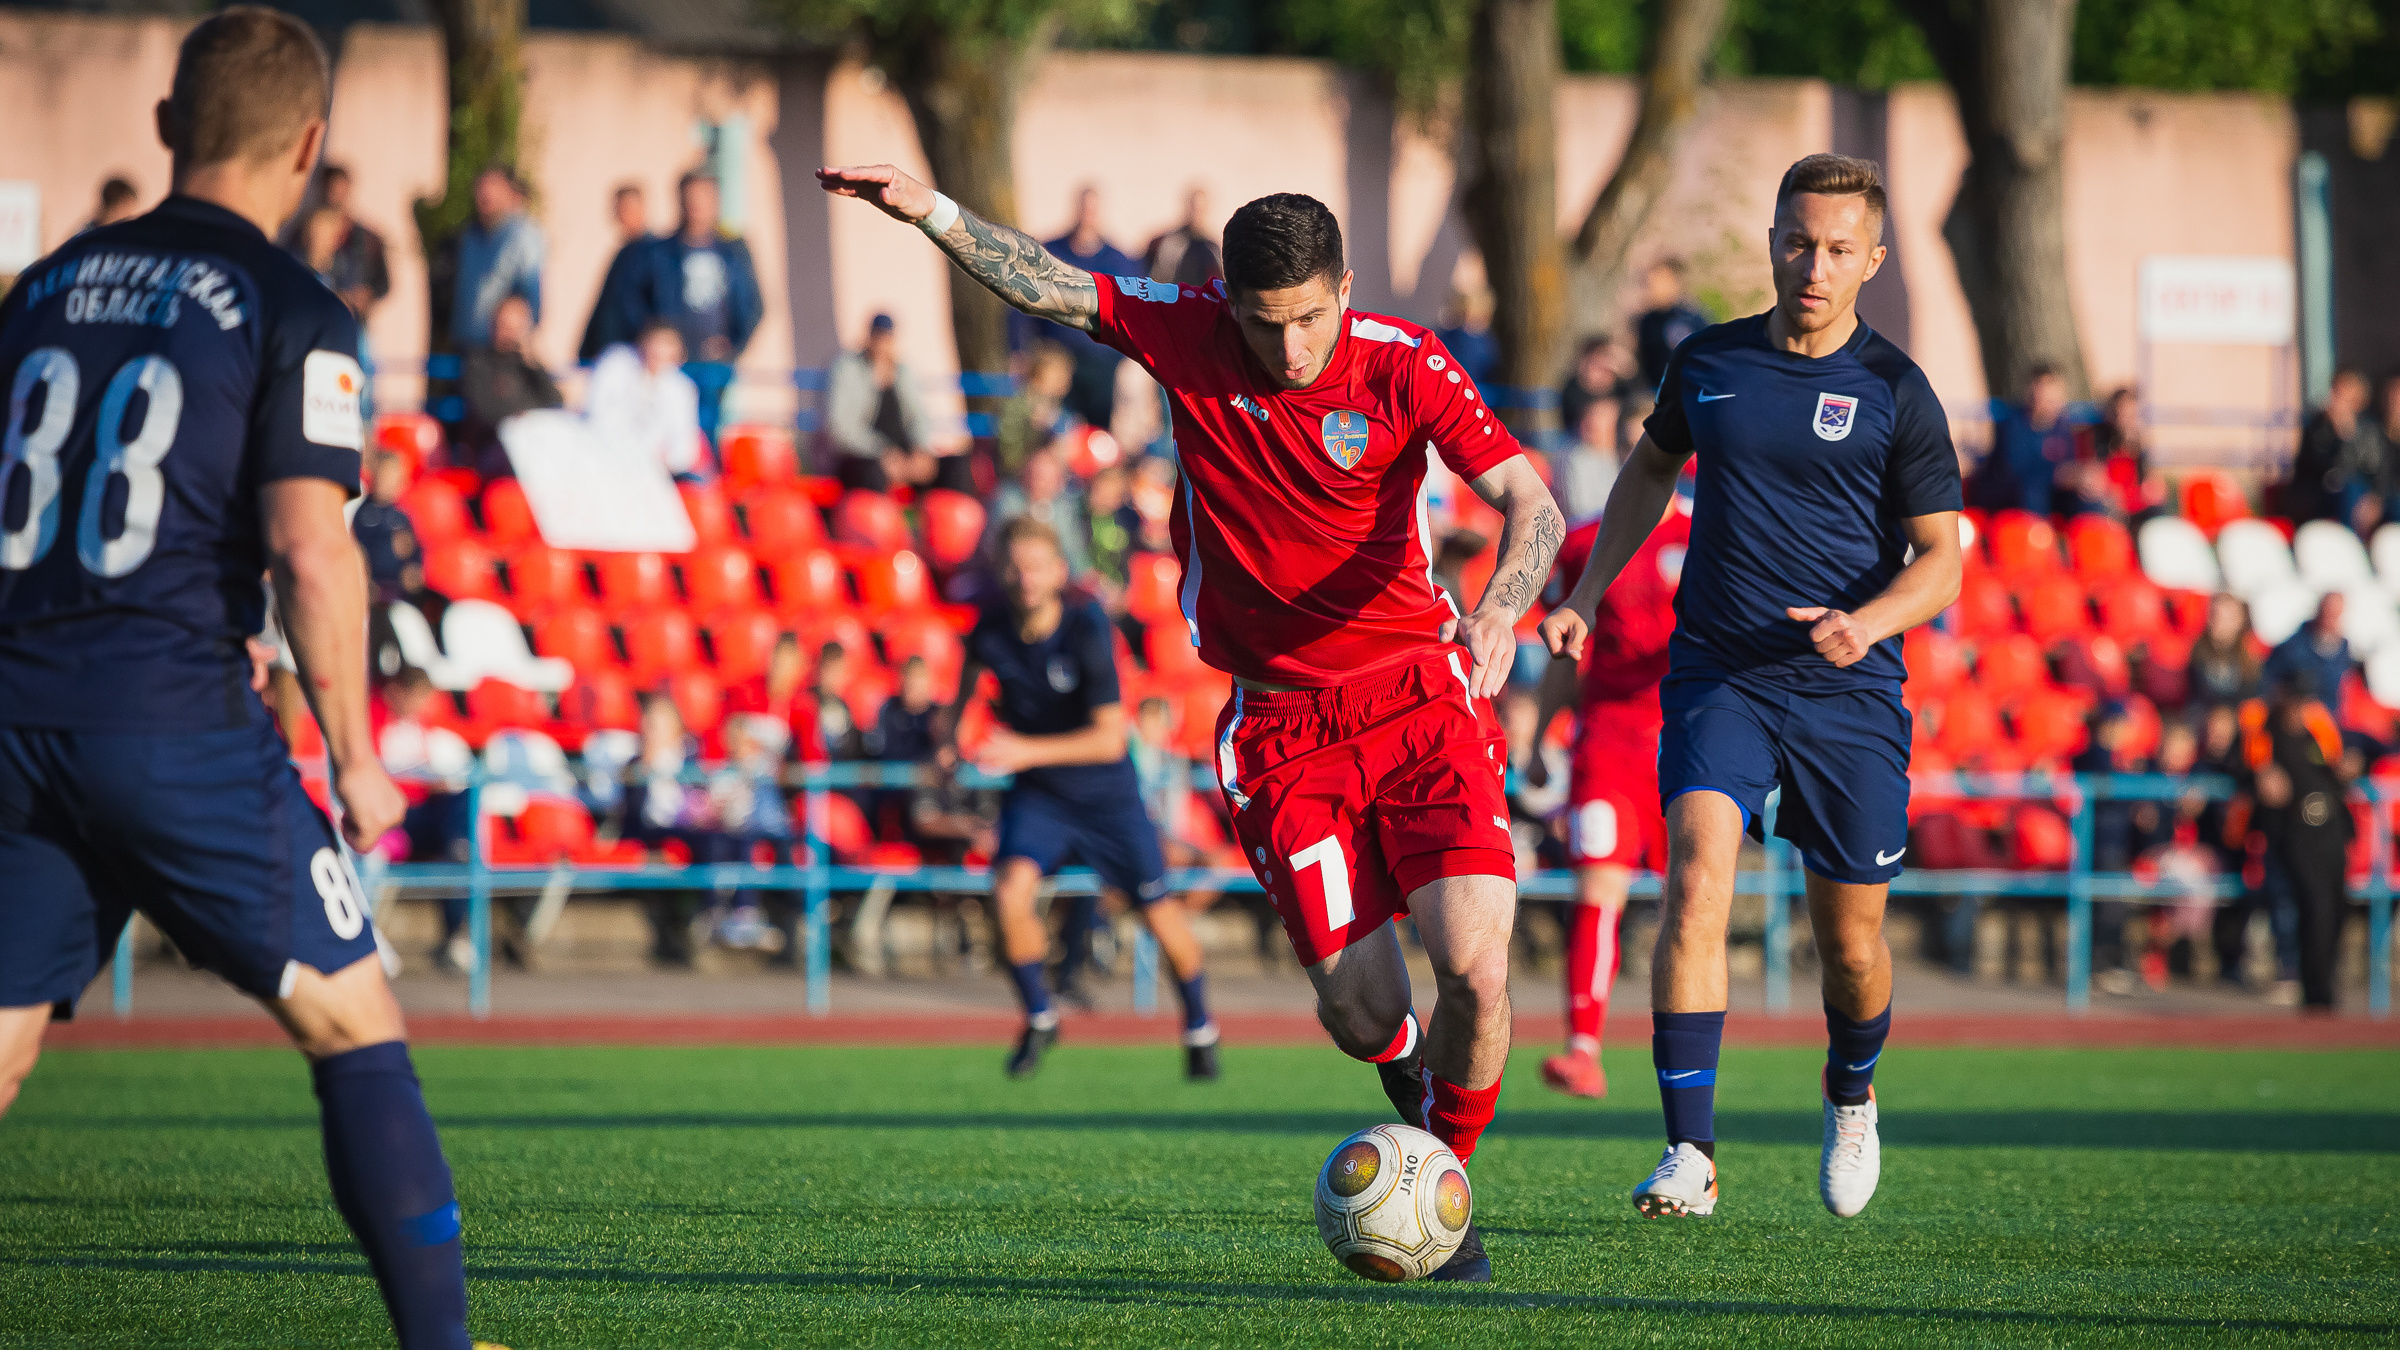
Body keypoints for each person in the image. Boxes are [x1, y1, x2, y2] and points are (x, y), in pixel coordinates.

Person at [820, 161, 1564, 1284]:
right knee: (1366, 1017)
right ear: (1229, 303)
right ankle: (1412, 1102)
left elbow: (1532, 501)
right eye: (1267, 326)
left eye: (1313, 318)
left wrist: (1502, 610)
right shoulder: (1187, 333)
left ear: (1345, 289)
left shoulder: (1404, 364)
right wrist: (928, 210)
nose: (1293, 349)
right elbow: (1053, 287)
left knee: (1474, 965)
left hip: (1420, 694)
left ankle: (1440, 1189)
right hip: (1281, 730)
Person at [0, 11, 472, 1347]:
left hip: (14, 711)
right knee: (352, 1019)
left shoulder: (38, 287)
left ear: (165, 125)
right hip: (169, 715)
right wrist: (359, 754)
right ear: (312, 148)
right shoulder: (296, 309)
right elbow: (311, 556)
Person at [1541, 153, 1963, 1222]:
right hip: (1720, 670)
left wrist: (1861, 624)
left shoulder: (1897, 392)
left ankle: (1852, 1091)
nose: (1811, 267)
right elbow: (1647, 471)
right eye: (1794, 241)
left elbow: (1943, 561)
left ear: (1870, 260)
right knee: (1694, 880)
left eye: (1835, 250)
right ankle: (1690, 1151)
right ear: (1773, 240)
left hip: (1848, 689)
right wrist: (1589, 593)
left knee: (1852, 947)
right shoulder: (1708, 362)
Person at [942, 517, 1222, 1080]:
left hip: (1106, 795)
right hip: (1041, 795)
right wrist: (946, 742)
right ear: (1002, 572)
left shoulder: (1086, 627)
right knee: (1008, 892)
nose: (1025, 578)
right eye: (1015, 567)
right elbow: (966, 687)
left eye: (1036, 566)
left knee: (1158, 912)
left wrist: (1022, 750)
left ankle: (1199, 1026)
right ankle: (1041, 1016)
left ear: (1059, 573)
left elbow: (1109, 737)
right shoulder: (991, 628)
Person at [1528, 497, 1688, 1097]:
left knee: (1692, 901)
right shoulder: (1588, 544)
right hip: (1609, 749)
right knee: (1597, 886)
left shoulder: (1707, 534)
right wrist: (1542, 735)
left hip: (1691, 743)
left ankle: (1690, 1058)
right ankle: (1583, 1051)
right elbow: (1568, 649)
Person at [2237, 672, 2354, 1010]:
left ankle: (2326, 989)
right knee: (2313, 908)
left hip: (2329, 829)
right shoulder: (2265, 734)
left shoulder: (2316, 734)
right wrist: (2260, 774)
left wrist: (2344, 770)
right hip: (2295, 832)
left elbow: (2333, 771)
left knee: (2335, 908)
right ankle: (2314, 992)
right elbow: (2241, 765)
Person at [1025, 185, 1139, 429]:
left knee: (1098, 436)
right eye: (1083, 209)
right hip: (1056, 362)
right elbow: (1021, 303)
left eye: (1093, 210)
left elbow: (1133, 312)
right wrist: (1022, 350)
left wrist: (1119, 357)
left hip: (1101, 365)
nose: (1087, 216)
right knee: (1054, 432)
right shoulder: (1050, 252)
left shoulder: (1118, 261)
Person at [826, 312, 965, 492]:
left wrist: (919, 449)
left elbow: (919, 416)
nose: (883, 344)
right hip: (865, 456)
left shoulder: (903, 372)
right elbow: (840, 428)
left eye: (887, 338)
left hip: (904, 456)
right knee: (873, 473)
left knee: (956, 465)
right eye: (878, 337)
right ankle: (877, 520)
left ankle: (950, 519)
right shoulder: (847, 369)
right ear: (869, 338)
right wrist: (883, 453)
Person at [587, 320, 705, 481]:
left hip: (652, 470)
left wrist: (665, 463)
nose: (659, 353)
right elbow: (598, 413)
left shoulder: (681, 389)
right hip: (605, 456)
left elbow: (684, 443)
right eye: (656, 346)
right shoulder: (617, 363)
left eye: (668, 347)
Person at [459, 293, 562, 476]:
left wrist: (533, 363)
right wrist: (521, 420)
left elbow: (555, 403)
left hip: (537, 448)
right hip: (497, 451)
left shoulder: (529, 366)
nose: (508, 334)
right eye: (503, 326)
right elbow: (484, 412)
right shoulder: (479, 363)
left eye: (515, 328)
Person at [451, 163, 543, 348]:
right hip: (466, 346)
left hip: (498, 353)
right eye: (481, 188)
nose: (486, 194)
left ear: (508, 193)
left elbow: (531, 297)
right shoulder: (470, 236)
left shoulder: (523, 238)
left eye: (494, 187)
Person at [1974, 363, 2076, 516]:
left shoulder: (2062, 429)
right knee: (2032, 492)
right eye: (2047, 397)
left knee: (2086, 496)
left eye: (2056, 396)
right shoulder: (2012, 425)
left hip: (2049, 493)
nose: (2053, 403)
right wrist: (2057, 475)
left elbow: (2069, 466)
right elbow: (2015, 469)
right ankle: (2036, 537)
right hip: (2013, 494)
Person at [2287, 369, 2380, 525]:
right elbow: (2317, 466)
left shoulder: (2368, 430)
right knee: (2348, 491)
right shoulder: (2317, 426)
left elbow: (2372, 469)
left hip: (2355, 494)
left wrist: (2348, 435)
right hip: (2317, 492)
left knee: (2354, 490)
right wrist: (2337, 435)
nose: (2337, 397)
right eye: (2336, 390)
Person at [986, 446, 1091, 577]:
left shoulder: (1063, 507)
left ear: (1058, 481)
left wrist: (1083, 577)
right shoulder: (1007, 498)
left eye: (1044, 477)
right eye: (1034, 474)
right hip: (1014, 574)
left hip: (1054, 575)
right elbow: (1003, 544)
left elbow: (1073, 549)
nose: (1038, 481)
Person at [579, 181, 654, 363]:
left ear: (643, 209)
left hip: (633, 357)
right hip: (611, 354)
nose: (622, 214)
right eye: (618, 208)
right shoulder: (624, 253)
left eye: (628, 208)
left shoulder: (654, 254)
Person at [303, 164, 389, 321]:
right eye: (331, 190)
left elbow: (383, 285)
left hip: (352, 322)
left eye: (340, 191)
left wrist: (365, 295)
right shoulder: (307, 231)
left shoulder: (367, 237)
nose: (335, 197)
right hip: (314, 318)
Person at [2261, 593, 2353, 715]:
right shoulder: (2292, 646)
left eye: (2335, 614)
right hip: (2292, 716)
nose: (2329, 617)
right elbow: (2270, 679)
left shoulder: (2343, 651)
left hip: (2327, 719)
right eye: (2327, 611)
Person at [1632, 258, 1708, 395]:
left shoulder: (1693, 318)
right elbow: (1642, 364)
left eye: (1661, 281)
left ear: (1675, 282)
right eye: (1651, 283)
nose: (1654, 288)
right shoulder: (1646, 322)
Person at [1553, 398, 1621, 524]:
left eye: (1600, 417)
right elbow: (1578, 511)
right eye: (1587, 418)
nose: (1589, 423)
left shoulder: (1622, 454)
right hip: (1583, 531)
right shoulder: (1572, 456)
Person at [1143, 185, 1223, 290]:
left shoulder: (1212, 247)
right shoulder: (1167, 242)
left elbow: (1218, 283)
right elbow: (1154, 277)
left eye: (1200, 208)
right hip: (1172, 300)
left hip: (1201, 303)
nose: (1196, 212)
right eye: (1193, 206)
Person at [1559, 334, 1630, 438]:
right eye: (1596, 362)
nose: (1603, 366)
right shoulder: (1573, 388)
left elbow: (1639, 403)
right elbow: (1575, 418)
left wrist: (1628, 369)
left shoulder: (1621, 386)